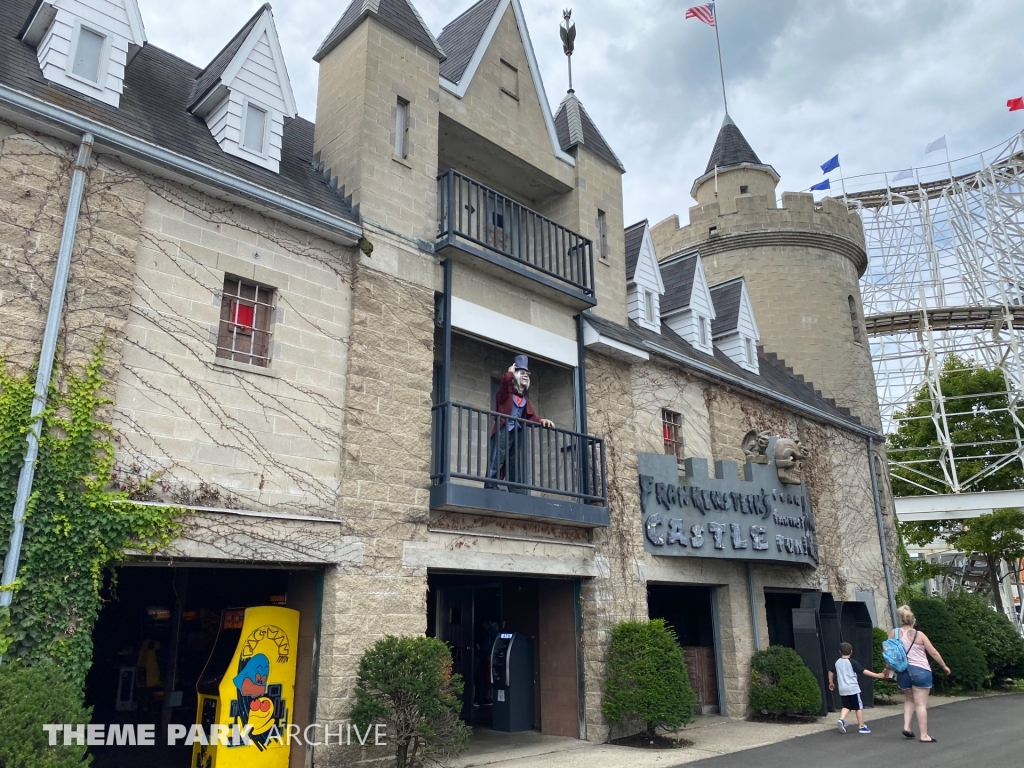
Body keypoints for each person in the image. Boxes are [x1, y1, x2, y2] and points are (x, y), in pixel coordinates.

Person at [485, 355, 554, 492]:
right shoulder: (505, 394)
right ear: (516, 375)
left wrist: (541, 420)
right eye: (522, 373)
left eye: (527, 374)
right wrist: (509, 373)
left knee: (514, 460)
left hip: (517, 432)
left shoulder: (525, 399)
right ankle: (491, 484)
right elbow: (504, 384)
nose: (526, 376)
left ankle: (515, 488)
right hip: (503, 429)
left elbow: (530, 417)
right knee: (498, 456)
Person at [890, 604, 950, 743]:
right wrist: (944, 666)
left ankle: (907, 727)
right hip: (920, 670)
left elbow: (890, 652)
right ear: (913, 621)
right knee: (921, 704)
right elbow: (933, 652)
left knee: (909, 699)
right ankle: (924, 735)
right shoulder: (920, 635)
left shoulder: (894, 633)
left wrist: (888, 668)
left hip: (902, 671)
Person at [828, 641, 886, 734]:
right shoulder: (852, 663)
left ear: (840, 652)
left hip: (842, 689)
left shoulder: (837, 662)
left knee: (846, 705)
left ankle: (841, 719)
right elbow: (863, 671)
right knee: (859, 707)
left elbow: (831, 671)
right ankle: (861, 726)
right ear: (851, 652)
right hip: (853, 688)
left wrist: (831, 682)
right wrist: (877, 675)